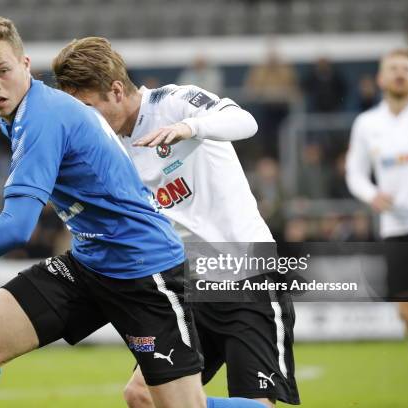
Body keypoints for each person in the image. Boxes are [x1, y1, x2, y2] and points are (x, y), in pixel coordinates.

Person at [0, 15, 261, 408]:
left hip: (145, 272)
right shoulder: (19, 116)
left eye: (2, 71)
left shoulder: (42, 117)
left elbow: (16, 227)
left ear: (25, 65)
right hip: (89, 264)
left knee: (175, 407)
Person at [52, 36, 300, 408]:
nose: (85, 119)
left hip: (246, 274)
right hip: (188, 288)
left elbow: (244, 121)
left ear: (116, 90)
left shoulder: (172, 101)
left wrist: (191, 128)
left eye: (88, 107)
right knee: (141, 396)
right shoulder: (109, 146)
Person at [345, 48, 408, 408]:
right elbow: (354, 172)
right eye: (393, 69)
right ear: (380, 79)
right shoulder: (367, 124)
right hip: (396, 229)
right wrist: (371, 194)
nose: (400, 74)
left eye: (406, 69)